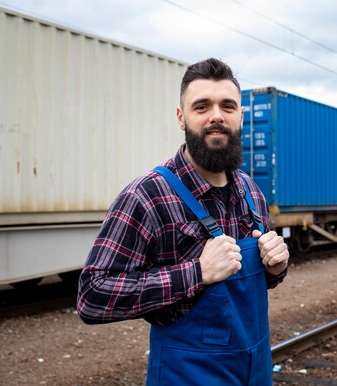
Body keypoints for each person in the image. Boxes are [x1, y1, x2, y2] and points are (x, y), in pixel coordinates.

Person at [77, 57, 289, 386]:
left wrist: (275, 269)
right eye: (202, 106)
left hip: (255, 372)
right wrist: (197, 273)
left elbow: (254, 282)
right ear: (181, 117)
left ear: (241, 117)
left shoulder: (251, 192)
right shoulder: (147, 196)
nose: (216, 116)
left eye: (227, 106)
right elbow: (92, 296)